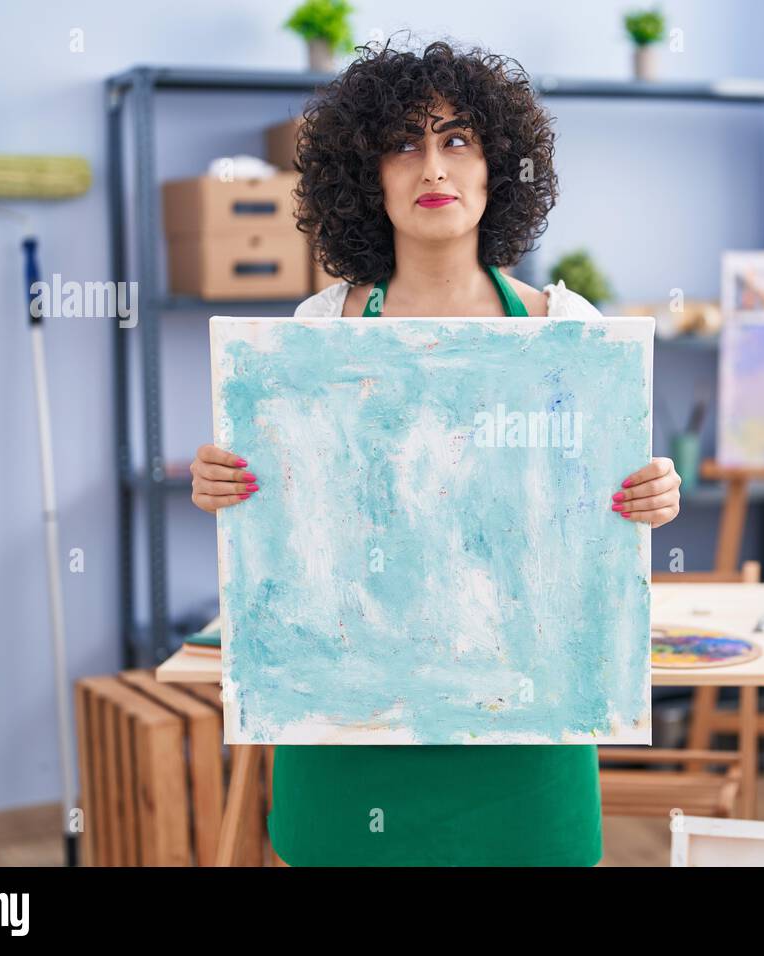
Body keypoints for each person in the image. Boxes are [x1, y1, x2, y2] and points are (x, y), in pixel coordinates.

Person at [189, 38, 681, 866]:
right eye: (403, 145)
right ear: (366, 175)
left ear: (498, 170)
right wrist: (223, 484)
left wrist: (652, 493)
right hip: (347, 727)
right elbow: (285, 523)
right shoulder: (317, 332)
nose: (432, 169)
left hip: (528, 731)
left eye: (457, 141)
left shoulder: (570, 331)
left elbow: (598, 518)